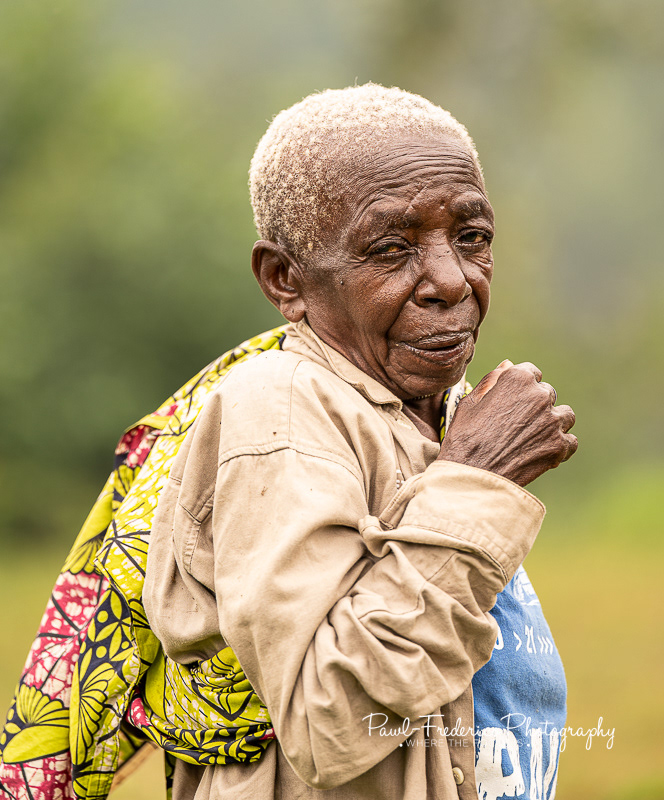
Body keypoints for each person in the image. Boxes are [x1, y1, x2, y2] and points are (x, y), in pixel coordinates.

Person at [0, 84, 576, 800]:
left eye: (472, 238)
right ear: (285, 279)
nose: (452, 281)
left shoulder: (416, 413)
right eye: (392, 249)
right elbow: (330, 718)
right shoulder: (282, 411)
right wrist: (478, 481)